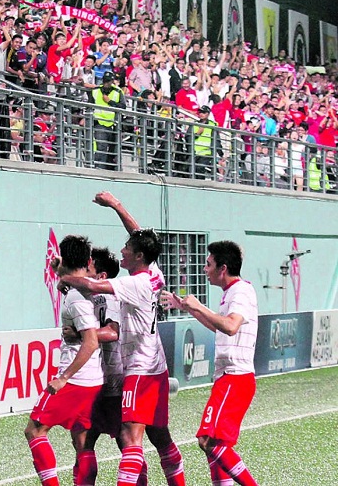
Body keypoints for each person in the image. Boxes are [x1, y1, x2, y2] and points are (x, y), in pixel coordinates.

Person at [58, 192, 186, 486]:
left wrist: (65, 274)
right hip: (156, 366)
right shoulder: (153, 272)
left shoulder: (135, 284)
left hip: (138, 370)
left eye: (127, 248)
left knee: (129, 436)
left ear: (139, 256)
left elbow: (91, 284)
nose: (123, 249)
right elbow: (139, 235)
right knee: (159, 436)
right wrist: (116, 206)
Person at [161, 241, 259, 486]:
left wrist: (198, 305)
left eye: (208, 264)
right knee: (215, 445)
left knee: (208, 441)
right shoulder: (232, 292)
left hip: (235, 377)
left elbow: (230, 325)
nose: (204, 269)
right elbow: (220, 328)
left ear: (222, 268)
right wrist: (188, 308)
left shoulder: (241, 292)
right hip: (229, 377)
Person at [25, 234, 102, 486]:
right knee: (82, 441)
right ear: (89, 261)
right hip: (94, 379)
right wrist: (60, 270)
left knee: (35, 430)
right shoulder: (93, 286)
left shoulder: (75, 298)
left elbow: (90, 341)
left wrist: (63, 378)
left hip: (76, 380)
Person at [89, 72, 126, 171]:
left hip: (113, 124)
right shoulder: (95, 90)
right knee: (101, 145)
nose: (107, 83)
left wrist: (110, 101)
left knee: (113, 148)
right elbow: (90, 105)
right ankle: (99, 167)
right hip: (99, 122)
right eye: (105, 81)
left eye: (109, 81)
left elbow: (123, 107)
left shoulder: (118, 91)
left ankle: (111, 168)